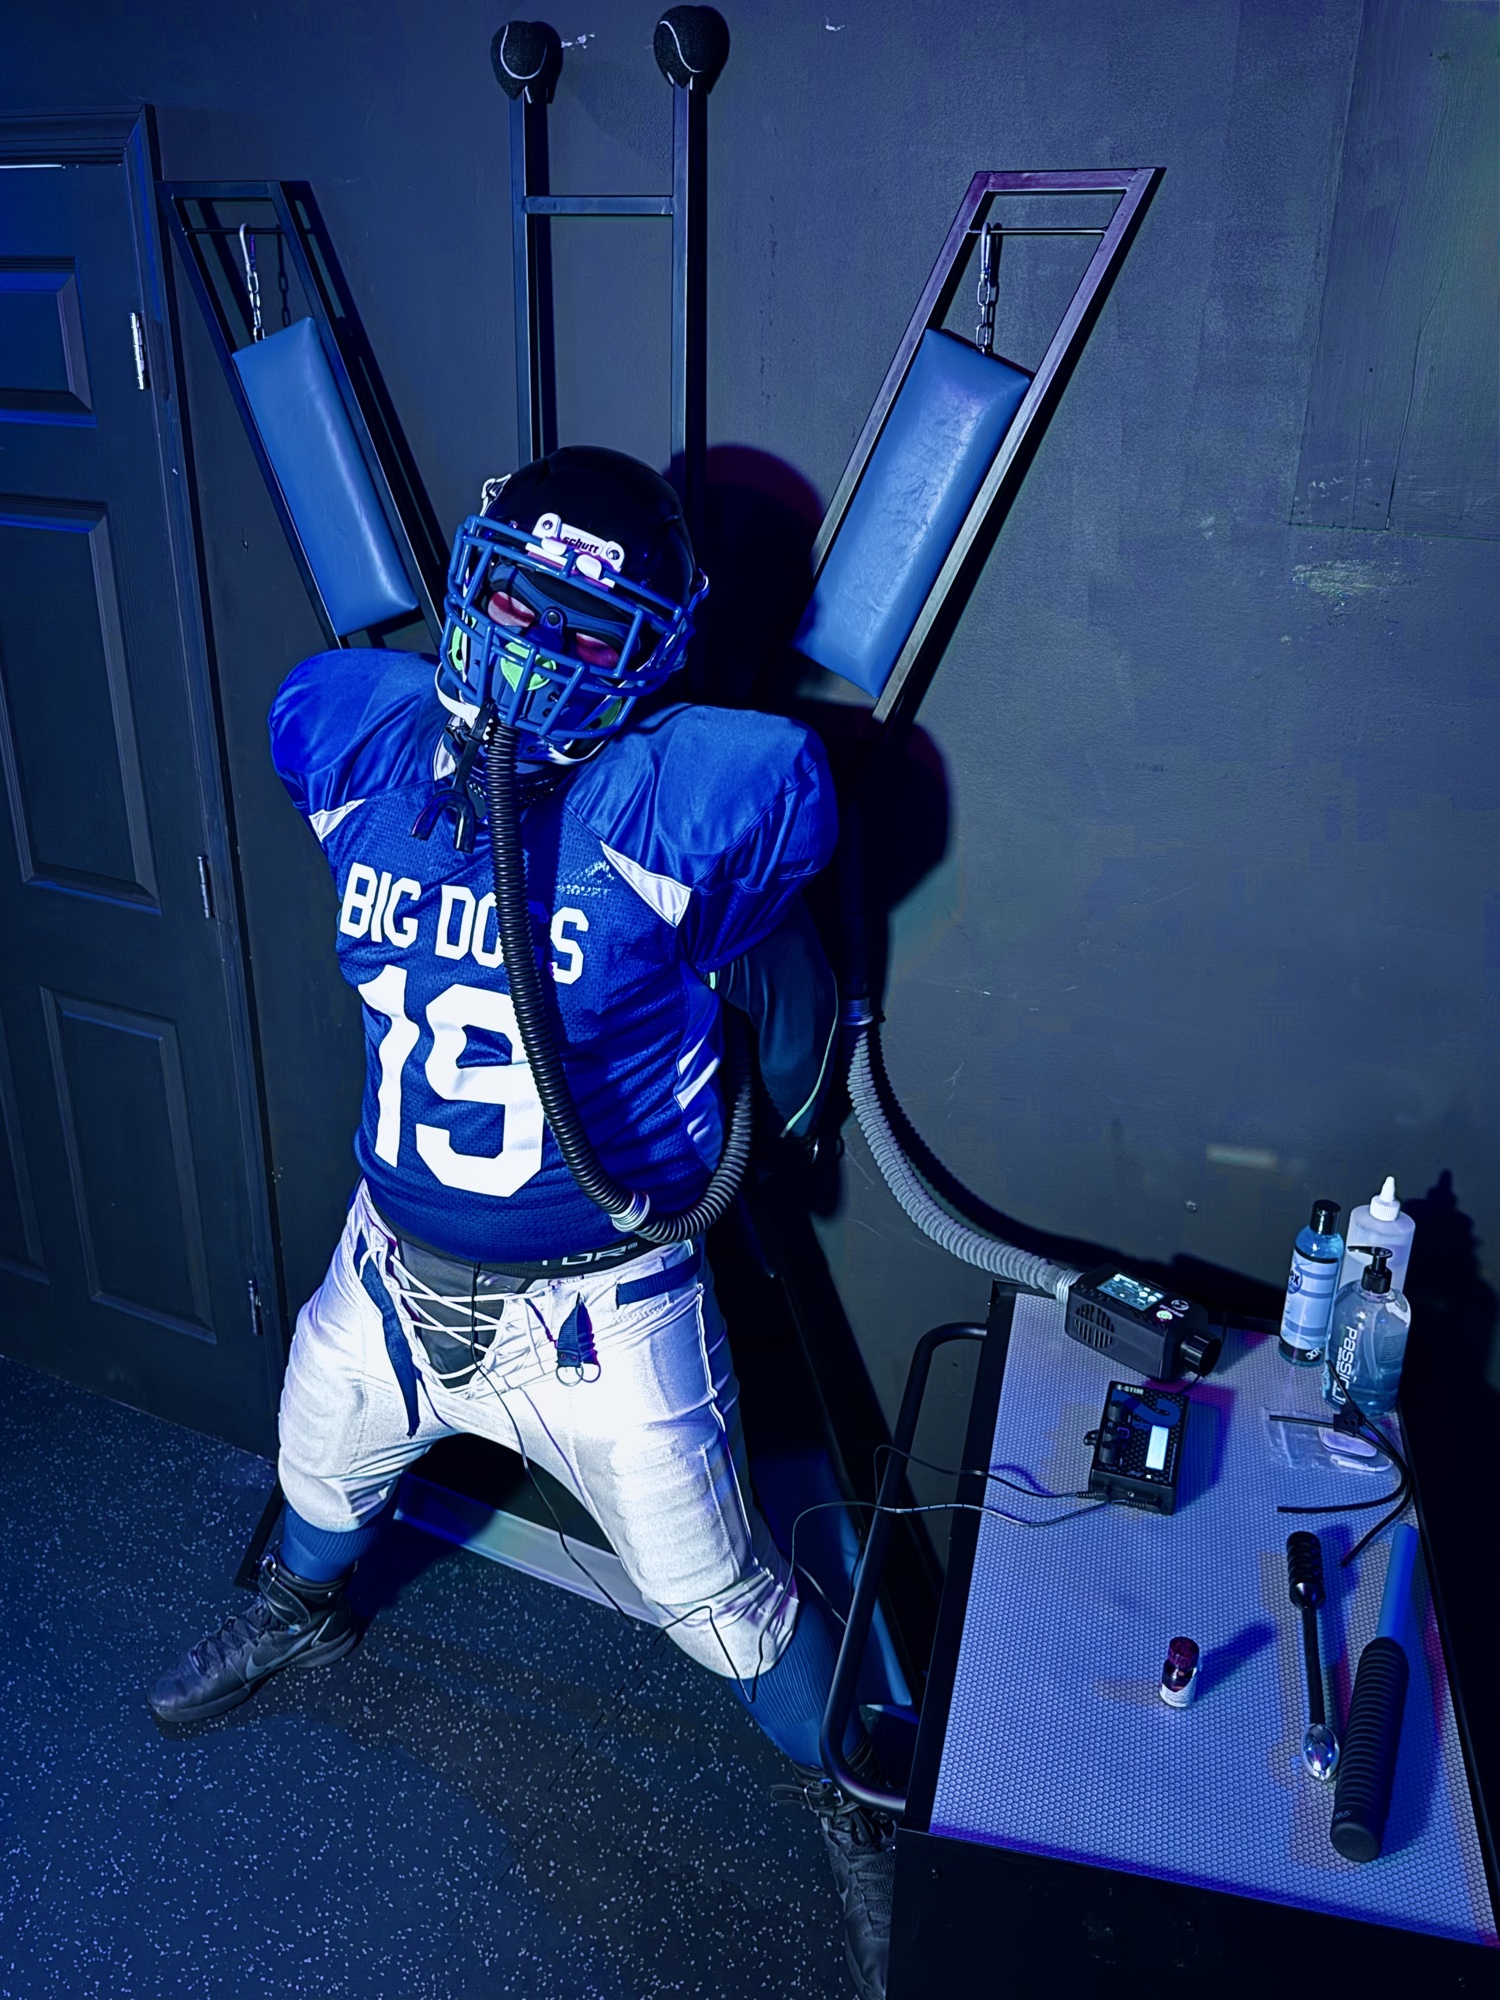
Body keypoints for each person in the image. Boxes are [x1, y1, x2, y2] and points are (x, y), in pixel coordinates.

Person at [146, 446, 894, 1999]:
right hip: (388, 1261)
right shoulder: (363, 742)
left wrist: (774, 1111)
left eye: (584, 623)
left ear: (651, 654)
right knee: (317, 1471)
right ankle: (300, 1616)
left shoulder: (673, 808)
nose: (538, 647)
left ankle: (858, 1793)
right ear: (468, 582)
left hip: (599, 1306)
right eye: (517, 602)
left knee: (719, 1606)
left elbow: (792, 1015)